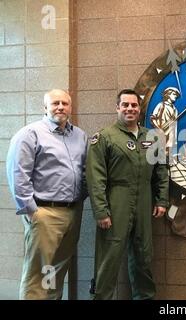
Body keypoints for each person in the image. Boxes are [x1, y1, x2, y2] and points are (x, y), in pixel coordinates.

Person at [86, 89, 169, 300]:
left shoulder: (151, 137)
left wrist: (161, 199)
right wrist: (101, 211)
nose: (130, 109)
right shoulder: (104, 137)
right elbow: (95, 177)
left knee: (144, 255)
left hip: (144, 200)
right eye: (125, 105)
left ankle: (145, 297)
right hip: (116, 201)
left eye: (134, 105)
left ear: (140, 110)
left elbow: (161, 170)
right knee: (109, 257)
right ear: (117, 108)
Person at [6, 89, 88, 300]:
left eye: (64, 103)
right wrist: (32, 211)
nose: (60, 107)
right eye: (55, 103)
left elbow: (86, 170)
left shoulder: (79, 136)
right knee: (38, 273)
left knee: (56, 270)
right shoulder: (30, 134)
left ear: (70, 107)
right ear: (45, 108)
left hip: (72, 213)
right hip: (44, 213)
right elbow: (18, 172)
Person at [150, 87, 180, 151]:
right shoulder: (161, 105)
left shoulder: (175, 110)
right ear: (168, 94)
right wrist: (158, 129)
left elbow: (175, 125)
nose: (176, 96)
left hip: (171, 137)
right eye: (174, 94)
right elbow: (153, 118)